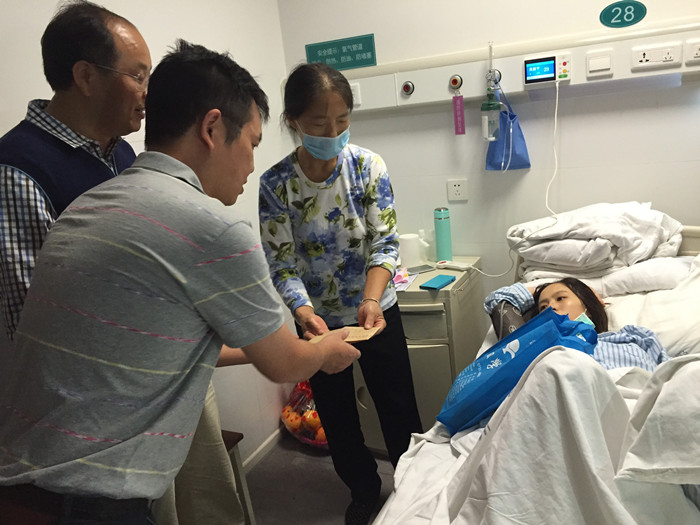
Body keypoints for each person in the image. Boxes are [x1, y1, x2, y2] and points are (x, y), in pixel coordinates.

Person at [0, 40, 361, 525]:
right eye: (252, 144)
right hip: (91, 498)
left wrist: (287, 345)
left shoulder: (90, 203)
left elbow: (153, 345)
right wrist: (324, 350)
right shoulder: (213, 227)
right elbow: (283, 364)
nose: (252, 164)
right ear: (212, 128)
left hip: (22, 483)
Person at [258, 62, 423, 525]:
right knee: (337, 416)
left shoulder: (368, 167)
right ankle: (363, 490)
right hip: (318, 324)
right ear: (293, 120)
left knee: (398, 407)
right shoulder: (276, 184)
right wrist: (304, 312)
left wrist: (371, 299)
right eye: (318, 123)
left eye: (342, 120)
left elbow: (385, 242)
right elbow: (282, 262)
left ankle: (414, 488)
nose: (332, 133)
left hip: (376, 312)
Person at [0, 0, 149, 344]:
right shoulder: (17, 170)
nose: (146, 92)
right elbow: (35, 324)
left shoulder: (122, 153)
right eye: (138, 76)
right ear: (85, 76)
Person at [484, 277, 669, 372]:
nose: (550, 308)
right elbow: (499, 300)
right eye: (543, 307)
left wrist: (585, 290)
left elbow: (671, 377)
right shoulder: (537, 348)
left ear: (588, 306)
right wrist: (539, 288)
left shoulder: (634, 338)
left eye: (560, 298)